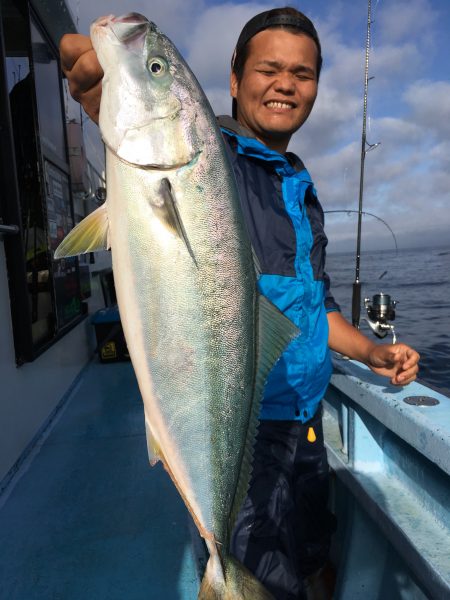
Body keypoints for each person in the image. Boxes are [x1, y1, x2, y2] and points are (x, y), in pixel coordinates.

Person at [60, 7, 420, 599]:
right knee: (262, 574)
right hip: (241, 431)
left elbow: (316, 304)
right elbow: (95, 75)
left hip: (304, 429)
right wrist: (106, 85)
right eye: (269, 68)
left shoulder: (301, 190)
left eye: (303, 74)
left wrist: (369, 351)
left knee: (311, 558)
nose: (286, 84)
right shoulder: (211, 156)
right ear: (234, 77)